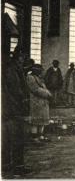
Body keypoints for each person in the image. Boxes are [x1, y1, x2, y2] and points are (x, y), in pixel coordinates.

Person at [2, 48, 30, 177]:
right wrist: (23, 101)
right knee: (15, 138)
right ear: (18, 57)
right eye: (22, 57)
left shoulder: (14, 69)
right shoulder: (12, 70)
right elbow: (16, 89)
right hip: (13, 109)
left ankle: (11, 166)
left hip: (12, 109)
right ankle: (15, 168)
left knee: (11, 139)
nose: (23, 60)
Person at [27, 64, 52, 141]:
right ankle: (34, 137)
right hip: (36, 101)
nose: (41, 72)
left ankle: (41, 135)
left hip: (43, 102)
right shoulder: (30, 78)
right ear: (35, 70)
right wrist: (47, 94)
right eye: (40, 70)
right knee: (36, 120)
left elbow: (44, 88)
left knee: (42, 120)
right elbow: (35, 89)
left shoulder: (39, 78)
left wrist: (48, 93)